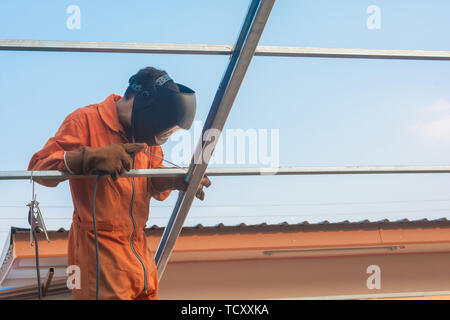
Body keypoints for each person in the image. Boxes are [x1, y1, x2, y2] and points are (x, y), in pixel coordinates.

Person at [28, 67, 211, 300]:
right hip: (99, 254)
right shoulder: (85, 120)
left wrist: (176, 179)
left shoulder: (143, 134)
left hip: (138, 251)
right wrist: (87, 158)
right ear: (143, 101)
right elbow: (38, 168)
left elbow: (151, 181)